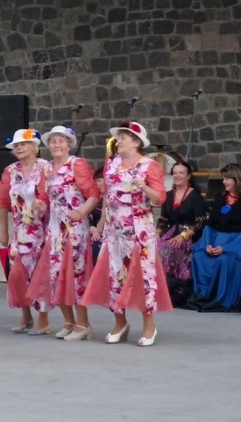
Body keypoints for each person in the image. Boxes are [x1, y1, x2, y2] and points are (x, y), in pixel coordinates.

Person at [82, 121, 171, 346]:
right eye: (119, 137)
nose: (118, 141)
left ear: (137, 142)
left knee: (143, 277)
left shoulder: (149, 166)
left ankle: (149, 325)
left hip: (139, 228)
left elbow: (159, 198)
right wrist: (102, 221)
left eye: (124, 137)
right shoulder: (111, 164)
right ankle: (120, 322)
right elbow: (107, 195)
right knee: (114, 275)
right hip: (115, 229)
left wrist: (144, 187)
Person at [26, 126, 100, 341]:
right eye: (53, 141)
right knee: (55, 273)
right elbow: (45, 197)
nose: (57, 145)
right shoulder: (47, 169)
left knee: (76, 274)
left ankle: (83, 323)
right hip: (55, 228)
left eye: (61, 141)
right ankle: (68, 320)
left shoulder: (77, 164)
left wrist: (81, 212)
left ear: (69, 145)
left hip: (75, 228)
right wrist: (40, 204)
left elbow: (93, 195)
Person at [0, 128, 51, 335]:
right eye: (16, 145)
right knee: (18, 274)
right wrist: (3, 231)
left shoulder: (46, 168)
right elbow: (2, 202)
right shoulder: (10, 171)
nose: (19, 147)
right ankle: (26, 315)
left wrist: (45, 205)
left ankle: (43, 319)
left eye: (23, 144)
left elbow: (56, 196)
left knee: (40, 273)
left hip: (42, 229)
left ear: (34, 147)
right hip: (20, 231)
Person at [188, 163, 241, 312]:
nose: (224, 182)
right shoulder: (220, 197)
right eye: (223, 178)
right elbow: (211, 222)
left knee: (223, 259)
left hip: (238, 242)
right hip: (216, 238)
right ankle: (202, 295)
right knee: (199, 256)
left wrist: (226, 248)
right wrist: (208, 243)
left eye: (227, 178)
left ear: (237, 179)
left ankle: (220, 299)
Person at [156, 155, 208, 308]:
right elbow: (164, 218)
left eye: (181, 173)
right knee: (155, 248)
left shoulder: (195, 196)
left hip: (189, 235)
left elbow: (200, 221)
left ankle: (175, 293)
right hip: (171, 232)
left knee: (167, 250)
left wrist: (183, 236)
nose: (177, 176)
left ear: (188, 176)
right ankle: (158, 291)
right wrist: (158, 231)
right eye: (175, 173)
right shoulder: (169, 195)